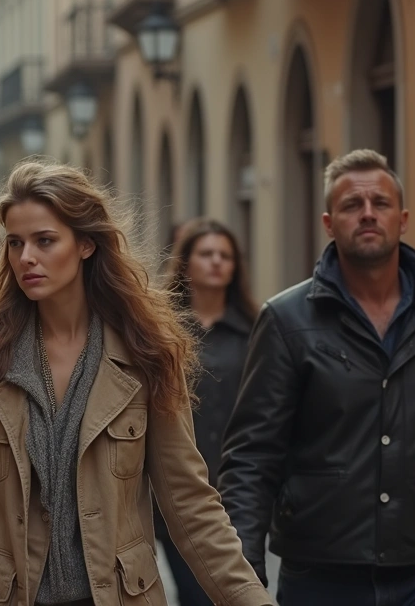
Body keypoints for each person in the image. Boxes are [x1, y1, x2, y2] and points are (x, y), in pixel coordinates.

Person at [0, 161, 272, 606]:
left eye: (45, 240)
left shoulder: (145, 354)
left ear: (86, 245)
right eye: (15, 243)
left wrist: (252, 599)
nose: (26, 257)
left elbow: (190, 501)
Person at [219, 149, 415, 605]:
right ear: (328, 222)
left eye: (380, 203)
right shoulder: (286, 320)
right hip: (320, 574)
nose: (367, 214)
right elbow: (251, 460)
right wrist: (241, 577)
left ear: (403, 218)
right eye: (351, 206)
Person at [155, 217, 258, 606]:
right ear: (186, 263)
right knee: (195, 595)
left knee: (236, 590)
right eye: (206, 254)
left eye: (225, 255)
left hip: (238, 489)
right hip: (179, 492)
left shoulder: (257, 329)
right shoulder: (161, 329)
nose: (216, 262)